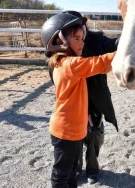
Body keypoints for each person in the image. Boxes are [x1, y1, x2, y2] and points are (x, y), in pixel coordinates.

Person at [41, 12, 116, 188]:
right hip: (65, 131)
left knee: (71, 174)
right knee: (61, 175)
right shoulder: (70, 64)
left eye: (83, 37)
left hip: (73, 130)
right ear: (59, 41)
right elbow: (99, 63)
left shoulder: (61, 62)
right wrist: (125, 51)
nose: (83, 42)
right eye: (77, 38)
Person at [61, 10, 119, 184]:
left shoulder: (96, 39)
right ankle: (76, 166)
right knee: (75, 134)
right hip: (74, 97)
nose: (80, 39)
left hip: (95, 96)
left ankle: (92, 168)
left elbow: (113, 44)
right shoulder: (62, 49)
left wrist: (128, 41)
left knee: (94, 131)